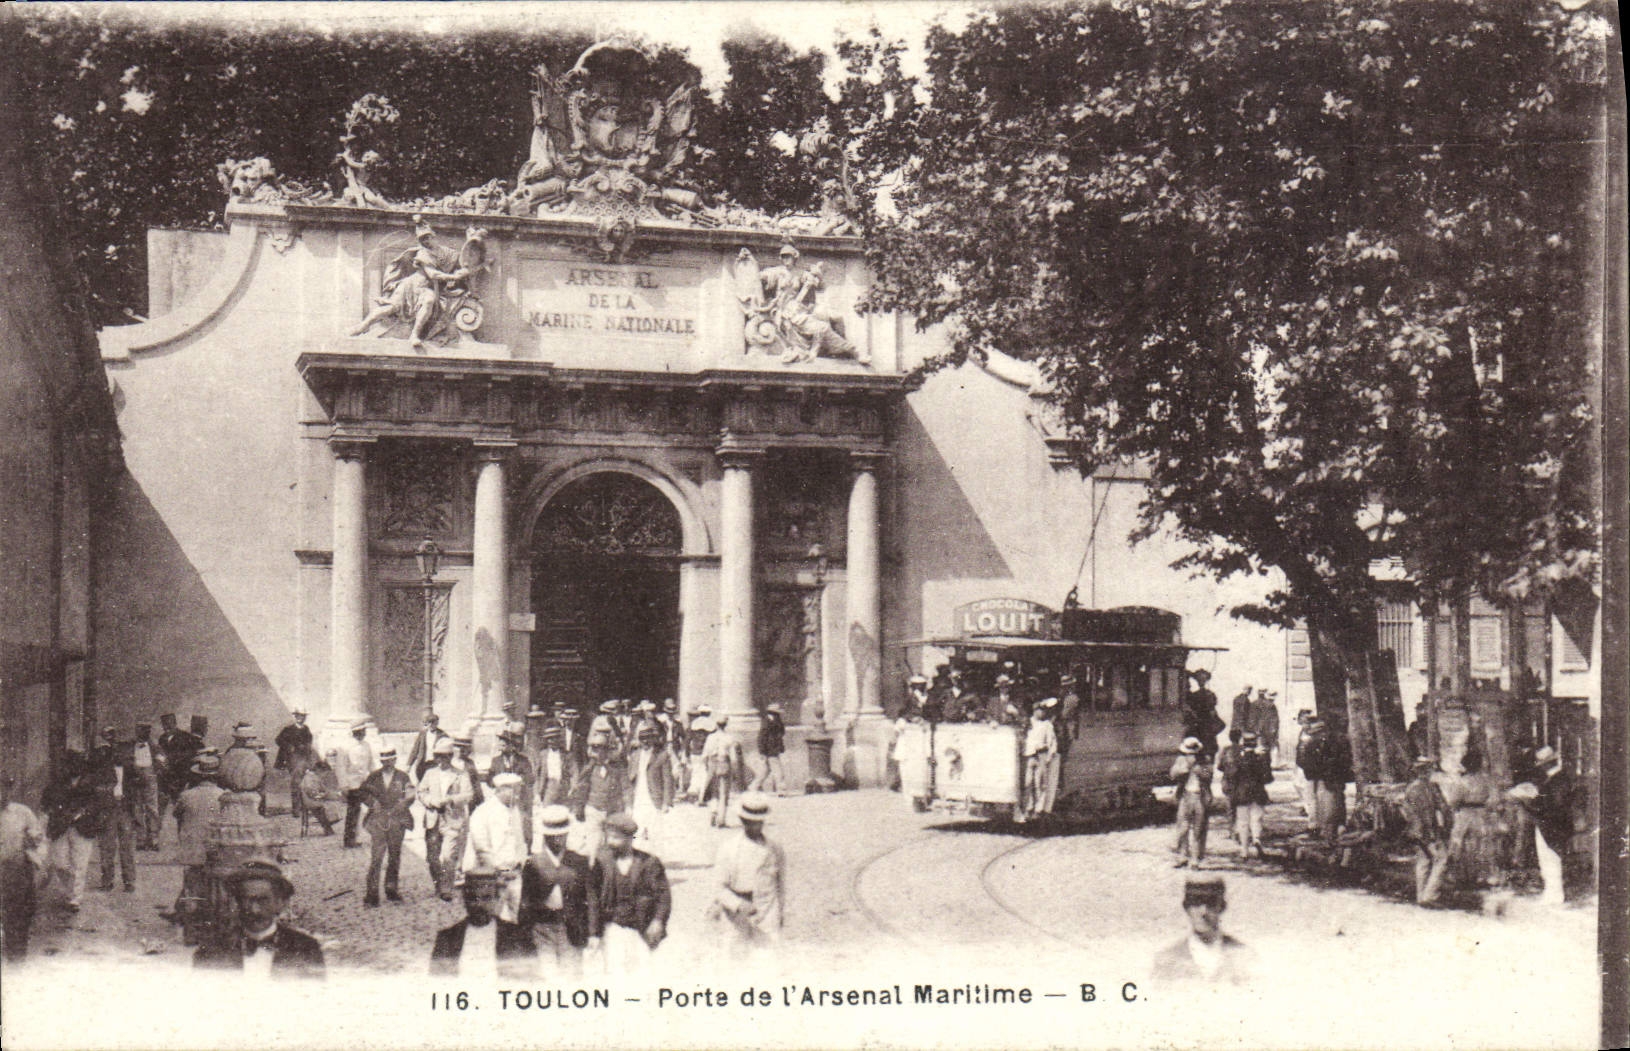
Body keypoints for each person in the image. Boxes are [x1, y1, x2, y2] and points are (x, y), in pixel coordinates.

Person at [193, 858, 325, 979]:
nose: (254, 910)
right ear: (237, 903)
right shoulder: (212, 950)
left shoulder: (305, 949)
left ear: (281, 903)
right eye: (247, 900)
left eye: (263, 900)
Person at [520, 805, 597, 979]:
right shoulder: (534, 863)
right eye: (551, 836)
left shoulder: (578, 861)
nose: (556, 840)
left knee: (571, 976)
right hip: (543, 928)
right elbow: (525, 903)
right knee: (549, 977)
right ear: (545, 836)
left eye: (561, 836)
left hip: (571, 928)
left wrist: (593, 933)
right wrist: (525, 934)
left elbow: (591, 899)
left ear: (567, 835)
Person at [708, 793, 784, 963]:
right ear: (743, 821)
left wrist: (779, 914)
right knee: (735, 962)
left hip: (767, 911)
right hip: (735, 916)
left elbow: (781, 884)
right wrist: (739, 904)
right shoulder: (728, 849)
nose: (756, 826)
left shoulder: (774, 849)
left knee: (767, 963)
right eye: (750, 822)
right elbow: (719, 888)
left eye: (759, 821)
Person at [591, 813, 670, 975]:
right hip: (612, 927)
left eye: (616, 838)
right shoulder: (602, 862)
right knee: (614, 974)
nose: (611, 843)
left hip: (640, 928)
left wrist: (658, 921)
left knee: (642, 974)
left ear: (629, 838)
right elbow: (593, 898)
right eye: (609, 837)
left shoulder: (649, 863)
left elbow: (663, 897)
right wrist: (594, 933)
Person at [431, 866, 537, 979]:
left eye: (486, 898)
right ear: (464, 900)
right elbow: (437, 981)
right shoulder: (447, 938)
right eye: (473, 898)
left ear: (497, 898)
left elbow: (531, 980)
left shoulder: (517, 936)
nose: (479, 905)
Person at [1151, 878, 1254, 985]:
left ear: (1222, 907)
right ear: (1186, 908)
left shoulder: (1244, 957)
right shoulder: (1166, 961)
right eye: (1196, 903)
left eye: (1211, 904)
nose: (1203, 912)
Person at [1510, 745, 1575, 906]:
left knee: (1551, 857)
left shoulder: (1559, 779)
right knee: (1548, 858)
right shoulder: (1555, 778)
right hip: (1548, 822)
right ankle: (1551, 892)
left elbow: (1553, 804)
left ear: (1547, 764)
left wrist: (1529, 800)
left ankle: (1555, 894)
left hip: (1552, 823)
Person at [173, 753, 225, 945]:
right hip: (214, 850)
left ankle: (190, 932)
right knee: (213, 889)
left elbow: (177, 814)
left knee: (191, 888)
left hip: (192, 850)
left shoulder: (186, 795)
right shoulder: (223, 796)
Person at [465, 772, 528, 922]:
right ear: (501, 790)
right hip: (493, 876)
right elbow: (481, 848)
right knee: (495, 916)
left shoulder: (514, 811)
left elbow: (520, 841)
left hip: (515, 874)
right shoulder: (483, 812)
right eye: (515, 790)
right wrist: (500, 870)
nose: (518, 794)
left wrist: (520, 864)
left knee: (515, 917)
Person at [42, 751, 99, 911]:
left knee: (80, 864)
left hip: (83, 827)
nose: (75, 767)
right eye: (71, 763)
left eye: (78, 763)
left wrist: (83, 812)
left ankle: (74, 898)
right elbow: (46, 802)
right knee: (59, 863)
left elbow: (97, 804)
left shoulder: (91, 783)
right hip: (60, 827)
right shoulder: (57, 783)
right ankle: (69, 890)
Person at [417, 738, 474, 901]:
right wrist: (430, 801)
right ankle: (438, 884)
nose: (440, 761)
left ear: (450, 757)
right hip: (433, 819)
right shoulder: (430, 773)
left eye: (444, 757)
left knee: (449, 855)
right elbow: (420, 792)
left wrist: (450, 799)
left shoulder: (460, 774)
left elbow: (468, 795)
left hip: (452, 819)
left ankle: (446, 888)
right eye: (437, 757)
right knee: (433, 856)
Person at [359, 746, 415, 907]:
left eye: (390, 760)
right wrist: (372, 803)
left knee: (394, 856)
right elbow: (362, 792)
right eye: (384, 760)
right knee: (377, 857)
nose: (387, 763)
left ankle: (391, 889)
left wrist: (404, 802)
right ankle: (372, 894)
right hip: (378, 820)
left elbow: (411, 793)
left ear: (395, 760)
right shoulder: (374, 776)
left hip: (397, 820)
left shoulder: (402, 777)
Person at [1, 775, 47, 962]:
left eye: (5, 789)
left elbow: (39, 839)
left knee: (18, 914)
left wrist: (34, 845)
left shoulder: (22, 813)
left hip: (16, 870)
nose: (2, 794)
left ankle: (16, 954)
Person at [88, 726, 137, 893]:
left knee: (127, 847)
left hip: (125, 809)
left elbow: (137, 789)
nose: (115, 750)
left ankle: (129, 881)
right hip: (109, 810)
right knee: (108, 847)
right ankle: (107, 880)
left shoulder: (130, 770)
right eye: (110, 744)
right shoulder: (102, 769)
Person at [1402, 757, 1454, 906]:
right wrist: (1447, 826)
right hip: (1429, 830)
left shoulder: (1411, 789)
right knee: (1442, 860)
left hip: (1416, 830)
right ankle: (1430, 896)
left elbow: (1408, 812)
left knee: (1424, 861)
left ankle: (1421, 896)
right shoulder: (1432, 787)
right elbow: (1444, 808)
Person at [1297, 716, 1351, 845]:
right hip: (1332, 778)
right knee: (1335, 804)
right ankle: (1337, 830)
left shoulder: (1312, 742)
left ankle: (1329, 836)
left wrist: (1315, 771)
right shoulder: (1340, 740)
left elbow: (1302, 761)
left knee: (1327, 807)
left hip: (1324, 778)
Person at [489, 731, 536, 852]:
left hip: (519, 799)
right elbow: (490, 779)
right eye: (500, 744)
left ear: (511, 745)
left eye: (504, 744)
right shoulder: (495, 761)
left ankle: (526, 850)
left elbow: (530, 778)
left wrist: (518, 780)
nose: (501, 746)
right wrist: (496, 781)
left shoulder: (523, 760)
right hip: (502, 800)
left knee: (521, 823)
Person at [629, 724, 675, 847]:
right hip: (638, 798)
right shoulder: (635, 756)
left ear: (653, 738)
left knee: (654, 833)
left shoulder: (662, 755)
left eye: (648, 738)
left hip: (654, 798)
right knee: (637, 832)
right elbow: (629, 779)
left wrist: (666, 802)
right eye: (642, 738)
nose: (645, 741)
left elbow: (668, 780)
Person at [1170, 737, 1213, 869]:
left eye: (1192, 753)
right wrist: (1184, 769)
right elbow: (1172, 775)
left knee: (1198, 830)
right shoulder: (1180, 760)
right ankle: (1183, 856)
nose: (1190, 755)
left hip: (1199, 796)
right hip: (1185, 796)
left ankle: (1195, 859)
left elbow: (1208, 776)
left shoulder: (1205, 761)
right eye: (1188, 753)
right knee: (1183, 828)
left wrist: (1197, 768)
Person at [1230, 732, 1273, 859]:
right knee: (1256, 818)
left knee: (1242, 821)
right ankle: (1256, 839)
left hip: (1242, 792)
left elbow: (1232, 775)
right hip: (1258, 791)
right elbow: (1268, 778)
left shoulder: (1238, 757)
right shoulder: (1262, 757)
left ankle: (1244, 850)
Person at [701, 715, 746, 828]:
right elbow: (734, 758)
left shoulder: (710, 737)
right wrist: (735, 772)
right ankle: (721, 820)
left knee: (713, 792)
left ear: (716, 725)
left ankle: (713, 811)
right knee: (724, 793)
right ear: (725, 725)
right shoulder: (729, 738)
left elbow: (704, 755)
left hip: (712, 764)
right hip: (724, 764)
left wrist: (707, 766)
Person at [273, 708, 315, 826]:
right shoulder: (289, 729)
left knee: (304, 783)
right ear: (295, 717)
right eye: (298, 716)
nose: (301, 718)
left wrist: (307, 749)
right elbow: (279, 740)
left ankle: (304, 806)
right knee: (296, 782)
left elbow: (309, 742)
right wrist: (289, 747)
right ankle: (296, 809)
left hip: (304, 758)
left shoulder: (306, 729)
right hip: (293, 759)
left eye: (303, 716)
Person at [1019, 702, 1059, 823]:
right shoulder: (1028, 723)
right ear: (1034, 710)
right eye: (1039, 710)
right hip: (1029, 755)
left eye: (1043, 710)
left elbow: (1052, 741)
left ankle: (1038, 810)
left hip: (1041, 755)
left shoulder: (1047, 725)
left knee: (1039, 784)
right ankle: (1028, 807)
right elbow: (1022, 737)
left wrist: (1049, 756)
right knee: (1027, 783)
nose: (1042, 712)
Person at [339, 720, 375, 848]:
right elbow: (341, 768)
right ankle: (349, 840)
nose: (362, 735)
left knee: (375, 805)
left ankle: (370, 830)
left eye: (363, 732)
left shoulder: (366, 745)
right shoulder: (345, 747)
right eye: (359, 732)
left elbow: (371, 764)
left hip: (365, 783)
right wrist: (344, 785)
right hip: (352, 784)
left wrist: (376, 779)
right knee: (353, 812)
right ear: (354, 733)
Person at [129, 722, 162, 850]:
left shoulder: (154, 747)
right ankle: (140, 839)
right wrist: (134, 772)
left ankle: (153, 839)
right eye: (141, 730)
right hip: (135, 779)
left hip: (150, 778)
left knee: (152, 808)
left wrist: (156, 771)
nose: (144, 733)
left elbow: (162, 760)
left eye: (146, 731)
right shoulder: (131, 746)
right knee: (137, 808)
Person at [1181, 671, 1225, 760]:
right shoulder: (1210, 695)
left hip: (1197, 727)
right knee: (1209, 751)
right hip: (1208, 728)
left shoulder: (1194, 696)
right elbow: (1213, 714)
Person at [298, 755, 341, 837]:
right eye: (324, 773)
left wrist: (333, 795)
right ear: (319, 770)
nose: (324, 775)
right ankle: (327, 827)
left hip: (315, 798)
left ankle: (328, 826)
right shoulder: (309, 777)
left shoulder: (316, 777)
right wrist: (320, 795)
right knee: (323, 808)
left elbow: (324, 789)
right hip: (309, 800)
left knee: (333, 805)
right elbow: (309, 789)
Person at [536, 723, 576, 808]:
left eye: (553, 739)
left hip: (563, 787)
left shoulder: (567, 755)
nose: (551, 741)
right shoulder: (543, 754)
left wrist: (573, 788)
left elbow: (574, 772)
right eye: (549, 739)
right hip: (548, 788)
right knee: (548, 813)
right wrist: (537, 792)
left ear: (558, 739)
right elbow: (537, 774)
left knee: (564, 813)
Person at [406, 710, 447, 784]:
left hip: (435, 764)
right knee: (421, 784)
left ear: (437, 723)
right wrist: (409, 765)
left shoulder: (443, 735)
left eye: (433, 723)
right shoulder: (422, 734)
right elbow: (415, 750)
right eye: (428, 723)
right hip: (422, 764)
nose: (430, 725)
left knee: (434, 784)